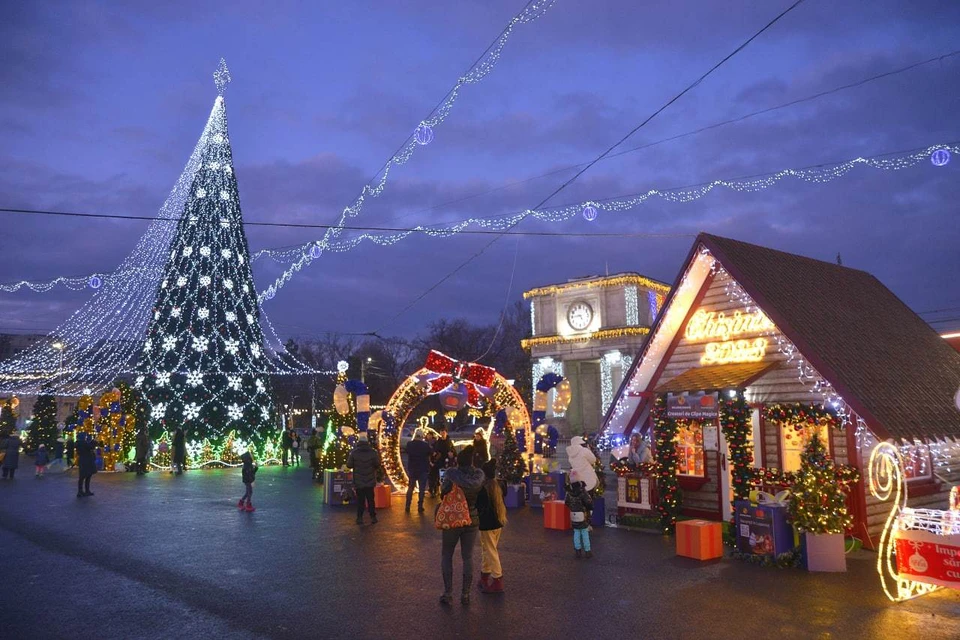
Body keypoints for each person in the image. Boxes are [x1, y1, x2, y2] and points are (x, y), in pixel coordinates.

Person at [438, 445, 485, 606]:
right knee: (468, 557)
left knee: (447, 555)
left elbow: (443, 492)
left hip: (453, 519)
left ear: (459, 461)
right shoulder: (479, 475)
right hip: (472, 519)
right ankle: (465, 594)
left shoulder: (451, 474)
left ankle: (448, 592)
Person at [476, 459, 507, 593]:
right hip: (498, 522)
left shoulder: (483, 489)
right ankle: (484, 575)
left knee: (490, 551)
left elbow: (479, 506)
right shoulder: (499, 485)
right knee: (487, 550)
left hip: (486, 524)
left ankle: (497, 579)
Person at [347, 432, 381, 525]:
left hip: (359, 480)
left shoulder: (354, 452)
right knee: (371, 500)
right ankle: (373, 517)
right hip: (370, 480)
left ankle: (359, 518)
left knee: (360, 500)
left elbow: (349, 465)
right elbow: (377, 464)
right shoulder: (373, 452)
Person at [564, 480, 594, 558]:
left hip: (574, 515)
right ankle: (587, 551)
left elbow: (566, 502)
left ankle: (578, 551)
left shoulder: (569, 492)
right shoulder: (582, 491)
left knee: (576, 532)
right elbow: (588, 502)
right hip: (583, 514)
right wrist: (589, 509)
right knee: (584, 532)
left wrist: (572, 508)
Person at [404, 430, 432, 513]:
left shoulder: (410, 444)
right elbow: (430, 453)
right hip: (423, 469)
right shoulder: (425, 445)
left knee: (411, 487)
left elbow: (407, 451)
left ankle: (407, 505)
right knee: (422, 489)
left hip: (413, 469)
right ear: (422, 436)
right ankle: (420, 506)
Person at [430, 427, 452, 497]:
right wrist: (434, 454)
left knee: (443, 477)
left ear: (446, 433)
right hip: (438, 462)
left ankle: (443, 491)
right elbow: (434, 450)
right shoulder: (437, 442)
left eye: (444, 432)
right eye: (441, 433)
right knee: (436, 477)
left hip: (446, 462)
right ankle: (436, 490)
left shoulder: (449, 442)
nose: (442, 434)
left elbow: (452, 450)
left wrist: (452, 453)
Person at [76, 432, 99, 497]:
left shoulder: (79, 443)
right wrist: (94, 441)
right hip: (86, 461)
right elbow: (90, 447)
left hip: (84, 461)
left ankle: (82, 491)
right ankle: (84, 491)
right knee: (85, 476)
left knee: (84, 476)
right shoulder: (83, 443)